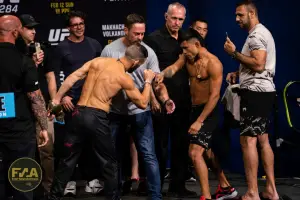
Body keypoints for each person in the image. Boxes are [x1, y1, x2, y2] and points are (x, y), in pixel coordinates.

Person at [48, 43, 156, 200]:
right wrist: (147, 81)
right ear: (135, 62)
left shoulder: (98, 61)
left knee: (67, 161)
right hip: (97, 117)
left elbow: (73, 77)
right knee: (109, 164)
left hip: (78, 114)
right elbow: (143, 103)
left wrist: (57, 99)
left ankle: (53, 197)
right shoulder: (123, 77)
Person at [156, 28, 238, 200]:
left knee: (194, 153)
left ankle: (206, 196)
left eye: (186, 48)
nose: (184, 52)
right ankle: (225, 187)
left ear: (197, 44)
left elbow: (215, 96)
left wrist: (200, 121)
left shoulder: (214, 63)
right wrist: (162, 74)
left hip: (208, 111)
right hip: (194, 110)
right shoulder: (187, 57)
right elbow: (173, 68)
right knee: (206, 152)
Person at [101, 14, 174, 199]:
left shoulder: (148, 52)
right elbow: (102, 80)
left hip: (141, 111)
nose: (140, 38)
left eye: (142, 34)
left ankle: (155, 195)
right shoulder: (110, 51)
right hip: (115, 112)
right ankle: (113, 195)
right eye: (136, 34)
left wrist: (165, 100)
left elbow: (156, 82)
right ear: (125, 30)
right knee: (113, 156)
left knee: (149, 155)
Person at [224, 1, 279, 200]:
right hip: (263, 92)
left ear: (252, 13)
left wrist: (234, 54)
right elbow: (258, 66)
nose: (237, 19)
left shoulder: (256, 34)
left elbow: (258, 64)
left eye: (240, 15)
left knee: (248, 141)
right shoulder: (261, 33)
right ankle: (272, 191)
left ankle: (253, 193)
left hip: (256, 94)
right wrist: (239, 72)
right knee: (263, 140)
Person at [144, 3, 196, 197]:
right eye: (173, 18)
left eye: (180, 19)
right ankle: (154, 186)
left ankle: (178, 185)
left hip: (183, 101)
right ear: (166, 16)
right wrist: (153, 99)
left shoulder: (187, 38)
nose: (176, 22)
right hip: (161, 99)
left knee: (181, 144)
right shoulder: (153, 39)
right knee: (159, 146)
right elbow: (148, 71)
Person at [51, 10, 103, 196]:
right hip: (70, 102)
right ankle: (69, 181)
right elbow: (55, 75)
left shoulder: (94, 44)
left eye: (81, 23)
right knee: (69, 145)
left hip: (92, 101)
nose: (79, 27)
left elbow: (102, 71)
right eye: (75, 25)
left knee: (91, 142)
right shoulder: (61, 48)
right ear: (68, 28)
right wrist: (62, 96)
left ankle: (91, 180)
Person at [0, 15, 48, 200]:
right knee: (23, 182)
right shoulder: (23, 60)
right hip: (19, 131)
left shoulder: (26, 60)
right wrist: (43, 127)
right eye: (20, 29)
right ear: (14, 32)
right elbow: (35, 97)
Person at [17, 14, 57, 196]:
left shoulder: (43, 49)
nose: (33, 31)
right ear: (19, 29)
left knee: (47, 151)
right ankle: (24, 190)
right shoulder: (14, 51)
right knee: (23, 151)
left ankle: (47, 189)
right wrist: (32, 63)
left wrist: (53, 102)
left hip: (43, 106)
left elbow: (50, 76)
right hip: (21, 109)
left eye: (34, 27)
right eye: (29, 28)